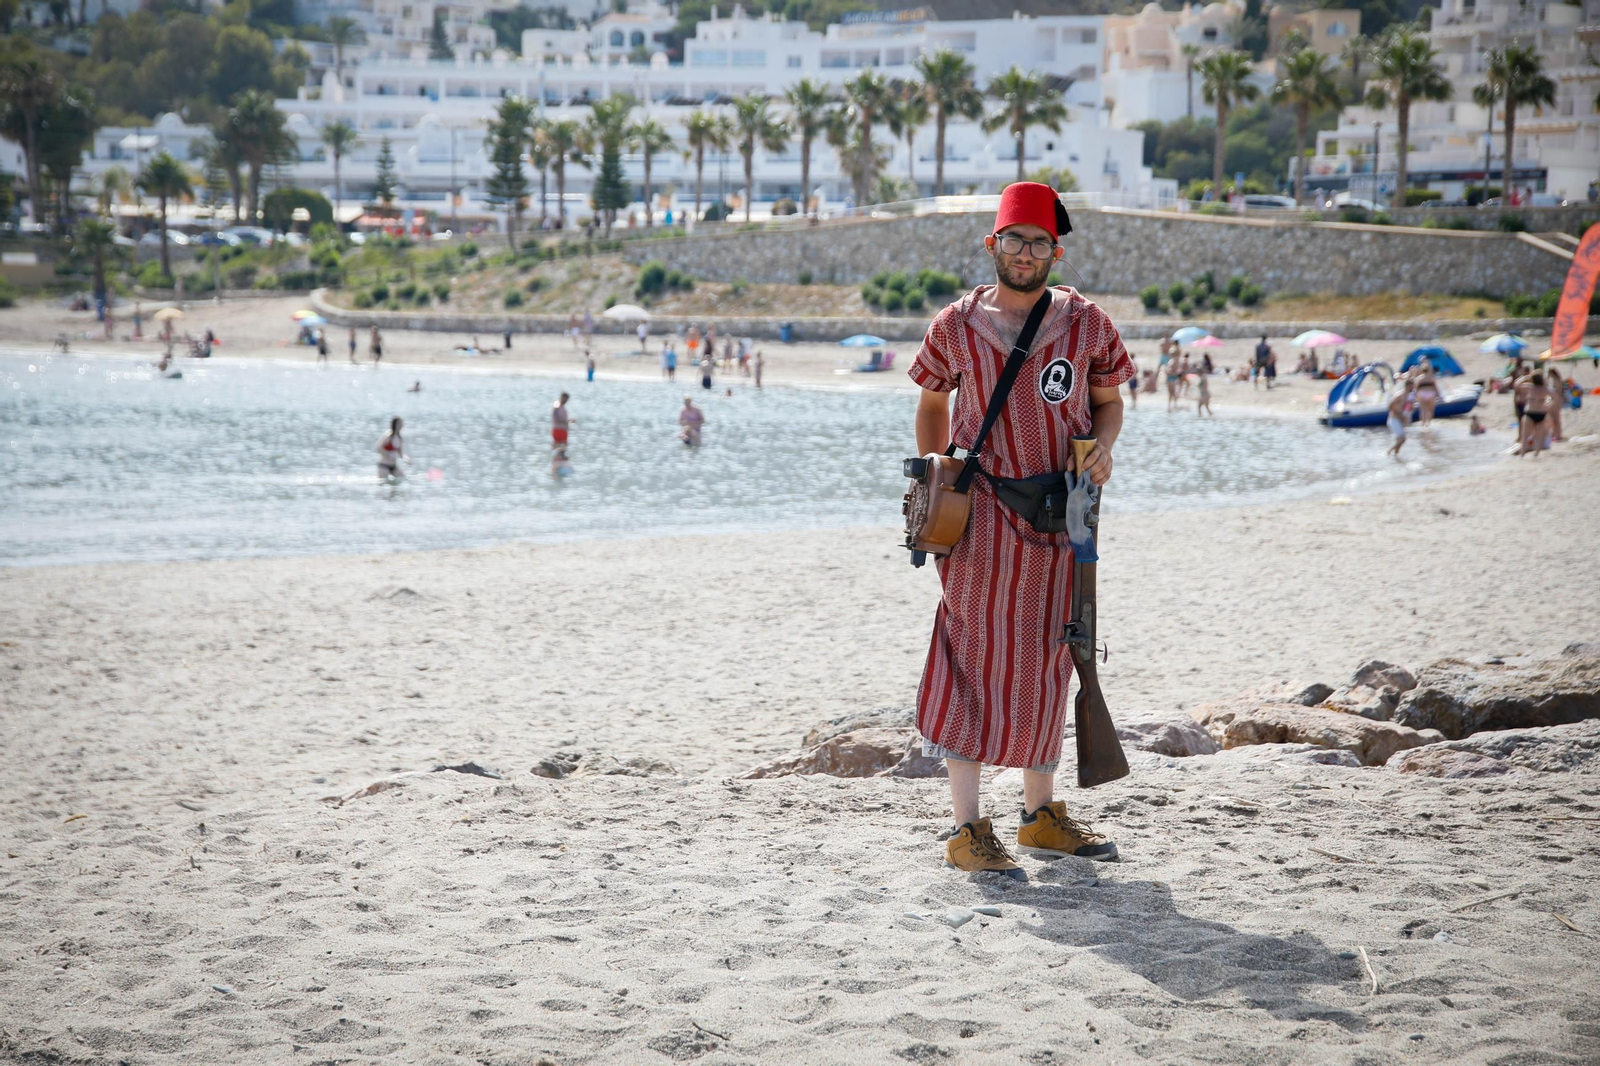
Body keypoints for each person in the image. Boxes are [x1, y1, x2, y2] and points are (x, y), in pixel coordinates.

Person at [908, 181, 1127, 881]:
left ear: (1055, 252)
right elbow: (932, 404)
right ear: (992, 245)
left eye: (1038, 243)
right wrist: (938, 478)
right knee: (969, 654)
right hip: (981, 518)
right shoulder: (955, 325)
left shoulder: (1087, 324)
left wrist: (1103, 447)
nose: (1025, 253)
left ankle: (1040, 816)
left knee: (1053, 655)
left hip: (1063, 515)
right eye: (1014, 241)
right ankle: (967, 829)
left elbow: (1108, 402)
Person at [1519, 372, 1553, 456]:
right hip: (1541, 413)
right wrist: (1549, 404)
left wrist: (1524, 378)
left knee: (1525, 435)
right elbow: (1555, 396)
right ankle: (1536, 453)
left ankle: (1522, 454)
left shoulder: (1529, 387)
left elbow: (1517, 385)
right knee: (1539, 435)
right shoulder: (1545, 389)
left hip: (1530, 412)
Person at [1386, 381, 1412, 458]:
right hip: (1393, 419)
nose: (1413, 388)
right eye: (1412, 386)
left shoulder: (1408, 396)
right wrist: (1396, 412)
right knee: (1402, 438)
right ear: (1408, 386)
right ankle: (1389, 451)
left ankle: (1395, 456)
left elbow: (1407, 408)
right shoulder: (1400, 395)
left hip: (1399, 420)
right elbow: (1390, 404)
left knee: (1399, 440)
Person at [1413, 357, 1439, 425]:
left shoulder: (1419, 379)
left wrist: (1416, 396)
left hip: (1422, 394)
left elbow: (1416, 388)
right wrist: (1438, 395)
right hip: (1430, 393)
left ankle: (1423, 423)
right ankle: (1428, 424)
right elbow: (1435, 387)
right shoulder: (1432, 378)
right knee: (1430, 410)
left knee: (1423, 410)